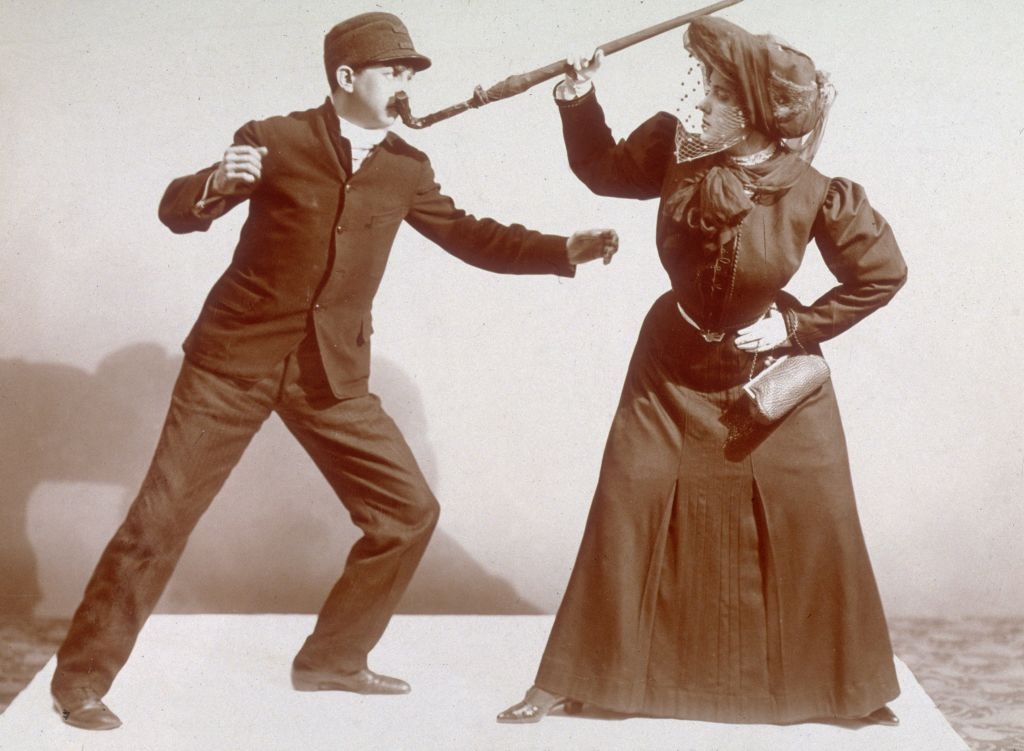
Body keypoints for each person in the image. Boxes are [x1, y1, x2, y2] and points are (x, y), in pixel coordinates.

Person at [50, 11, 618, 731]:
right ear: (347, 77)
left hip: (330, 372)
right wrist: (212, 181)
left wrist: (563, 248)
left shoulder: (407, 166)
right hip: (231, 364)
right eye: (395, 71)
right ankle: (78, 681)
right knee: (159, 521)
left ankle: (331, 659)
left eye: (413, 73)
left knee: (408, 513)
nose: (407, 84)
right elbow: (177, 213)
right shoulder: (273, 138)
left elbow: (474, 236)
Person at [498, 15, 907, 726]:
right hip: (670, 365)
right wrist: (577, 98)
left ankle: (845, 691)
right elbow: (599, 169)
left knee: (819, 513)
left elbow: (883, 272)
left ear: (752, 109)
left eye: (717, 91)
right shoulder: (675, 152)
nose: (701, 102)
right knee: (629, 498)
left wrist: (796, 325)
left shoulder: (816, 191)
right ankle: (573, 679)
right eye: (706, 86)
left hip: (767, 375)